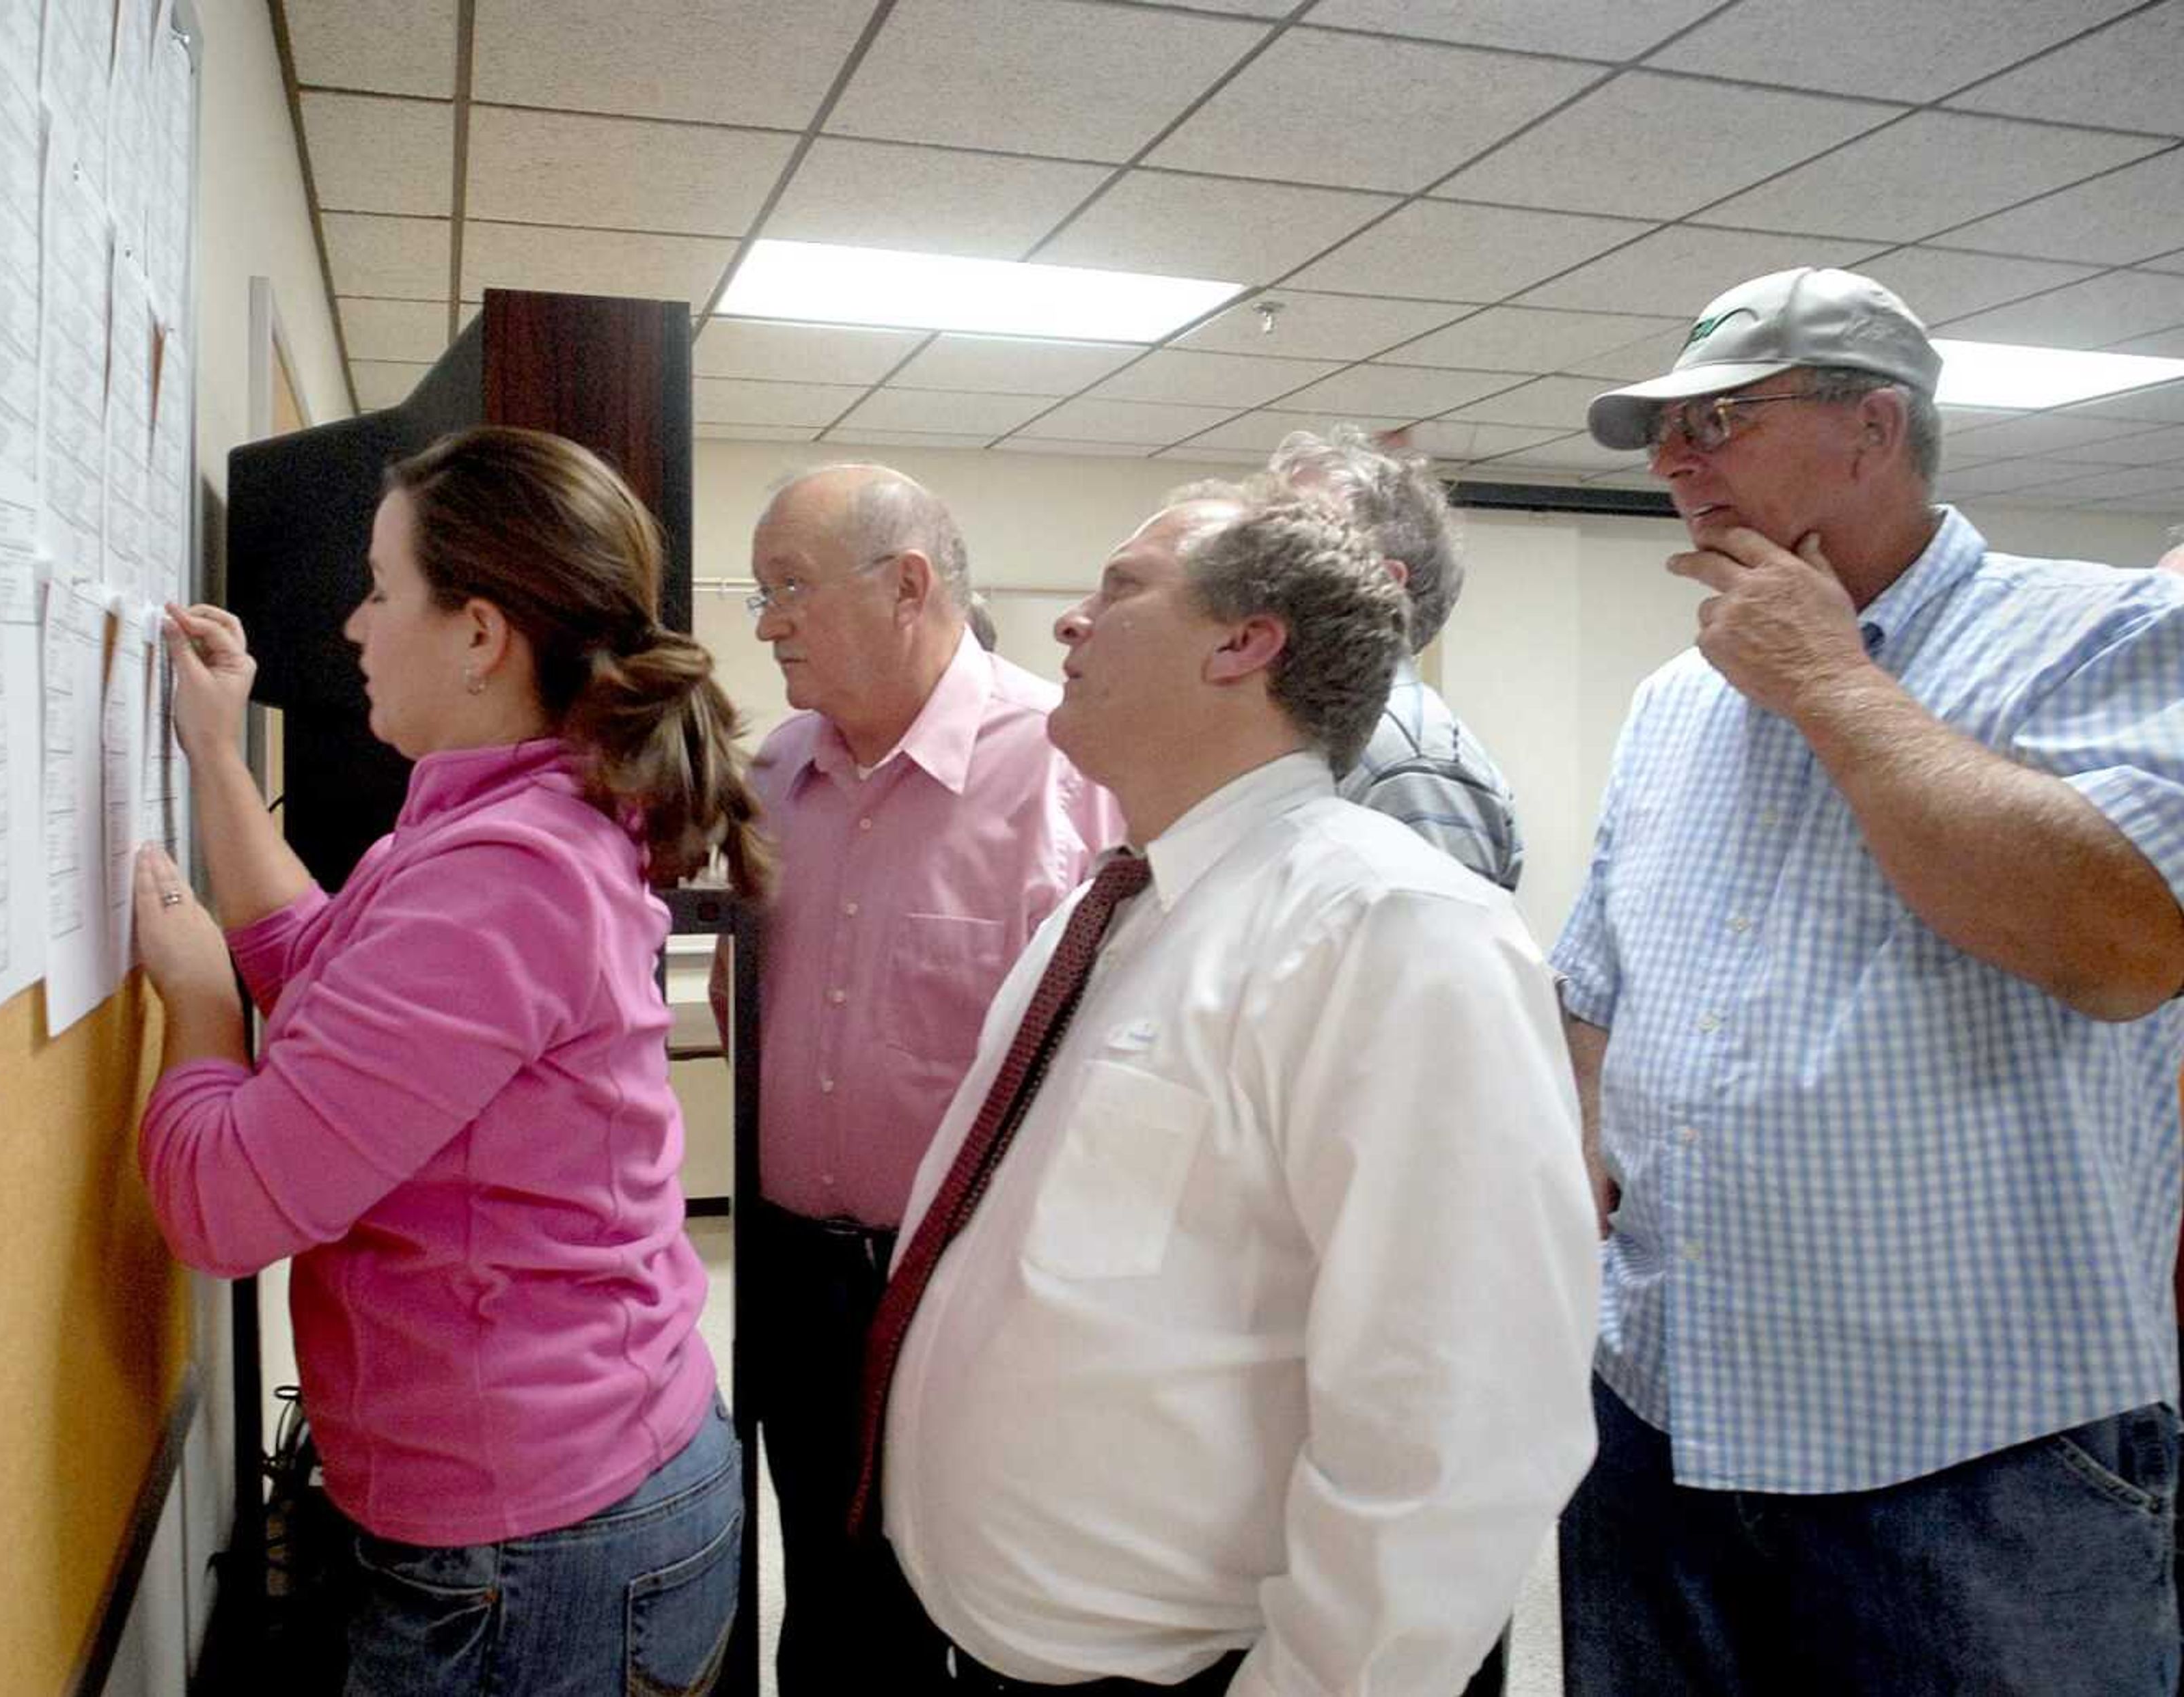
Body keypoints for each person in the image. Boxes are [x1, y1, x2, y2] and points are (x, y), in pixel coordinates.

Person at [1558, 267, 2184, 1694]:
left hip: (1979, 1463)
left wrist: (1836, 690)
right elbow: (1597, 991)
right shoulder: (1675, 701)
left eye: (1719, 416)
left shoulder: (2105, 635)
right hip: (1665, 1423)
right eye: (1663, 432)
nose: (1672, 460)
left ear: (1874, 429)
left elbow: (2126, 944)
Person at [863, 481, 1599, 1696]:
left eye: (1122, 586)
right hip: (1014, 1640)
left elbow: (1461, 1428)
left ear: (1246, 641)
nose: (1069, 622)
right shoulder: (1111, 912)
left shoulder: (1392, 931)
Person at [128, 426, 767, 1697]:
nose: (357, 626)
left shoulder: (509, 872)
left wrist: (198, 996)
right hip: (573, 1493)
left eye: (380, 587)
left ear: (480, 633)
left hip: (545, 1535)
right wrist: (211, 751)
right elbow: (323, 967)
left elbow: (227, 1207)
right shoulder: (505, 822)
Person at [729, 463, 1120, 1692]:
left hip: (988, 1287)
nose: (766, 621)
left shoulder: (1068, 770)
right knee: (842, 1619)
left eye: (789, 587)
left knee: (1009, 1615)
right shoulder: (773, 777)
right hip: (799, 1280)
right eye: (761, 592)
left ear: (908, 585)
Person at [1271, 426, 1523, 890]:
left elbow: (1436, 955)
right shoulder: (1316, 731)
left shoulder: (1411, 762)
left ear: (1381, 588)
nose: (1253, 557)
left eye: (1295, 537)